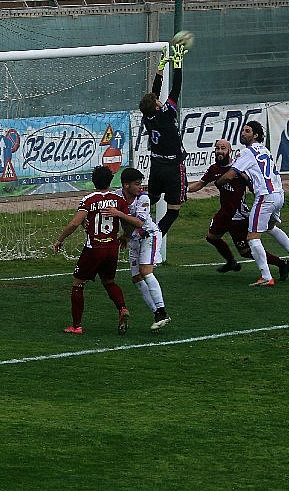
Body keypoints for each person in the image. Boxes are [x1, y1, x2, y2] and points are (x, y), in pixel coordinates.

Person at [215, 121, 289, 287]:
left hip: (265, 197)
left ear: (255, 135)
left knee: (252, 238)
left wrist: (218, 182)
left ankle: (266, 276)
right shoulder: (264, 150)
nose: (243, 133)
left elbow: (229, 175)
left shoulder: (247, 152)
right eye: (243, 130)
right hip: (279, 194)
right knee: (271, 227)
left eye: (247, 131)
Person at [187, 139, 289, 278]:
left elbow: (254, 187)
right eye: (217, 148)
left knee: (246, 251)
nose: (219, 151)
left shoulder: (239, 168)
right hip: (224, 213)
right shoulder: (214, 169)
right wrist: (184, 190)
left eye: (223, 148)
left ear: (230, 151)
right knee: (212, 237)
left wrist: (264, 201)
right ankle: (231, 262)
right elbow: (200, 184)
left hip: (238, 216)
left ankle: (282, 264)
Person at [54, 165, 131, 335]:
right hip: (112, 247)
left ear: (92, 180)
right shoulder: (119, 200)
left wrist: (60, 239)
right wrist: (125, 236)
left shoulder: (89, 199)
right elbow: (128, 222)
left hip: (94, 248)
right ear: (111, 180)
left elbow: (75, 223)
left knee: (78, 283)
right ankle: (122, 309)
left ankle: (76, 326)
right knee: (109, 281)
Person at [104, 167, 170, 331]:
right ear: (126, 185)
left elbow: (140, 222)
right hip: (133, 240)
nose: (141, 187)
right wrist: (126, 236)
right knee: (136, 278)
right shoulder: (117, 196)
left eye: (141, 183)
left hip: (149, 236)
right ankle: (157, 314)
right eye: (137, 184)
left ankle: (162, 311)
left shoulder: (143, 198)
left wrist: (118, 214)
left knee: (145, 271)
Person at [138, 39, 190, 238]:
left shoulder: (147, 116)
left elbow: (153, 94)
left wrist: (160, 69)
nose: (160, 99)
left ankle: (135, 221)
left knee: (150, 199)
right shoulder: (166, 113)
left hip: (156, 165)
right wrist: (177, 64)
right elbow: (176, 88)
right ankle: (154, 236)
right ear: (157, 105)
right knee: (174, 209)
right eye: (158, 100)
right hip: (173, 167)